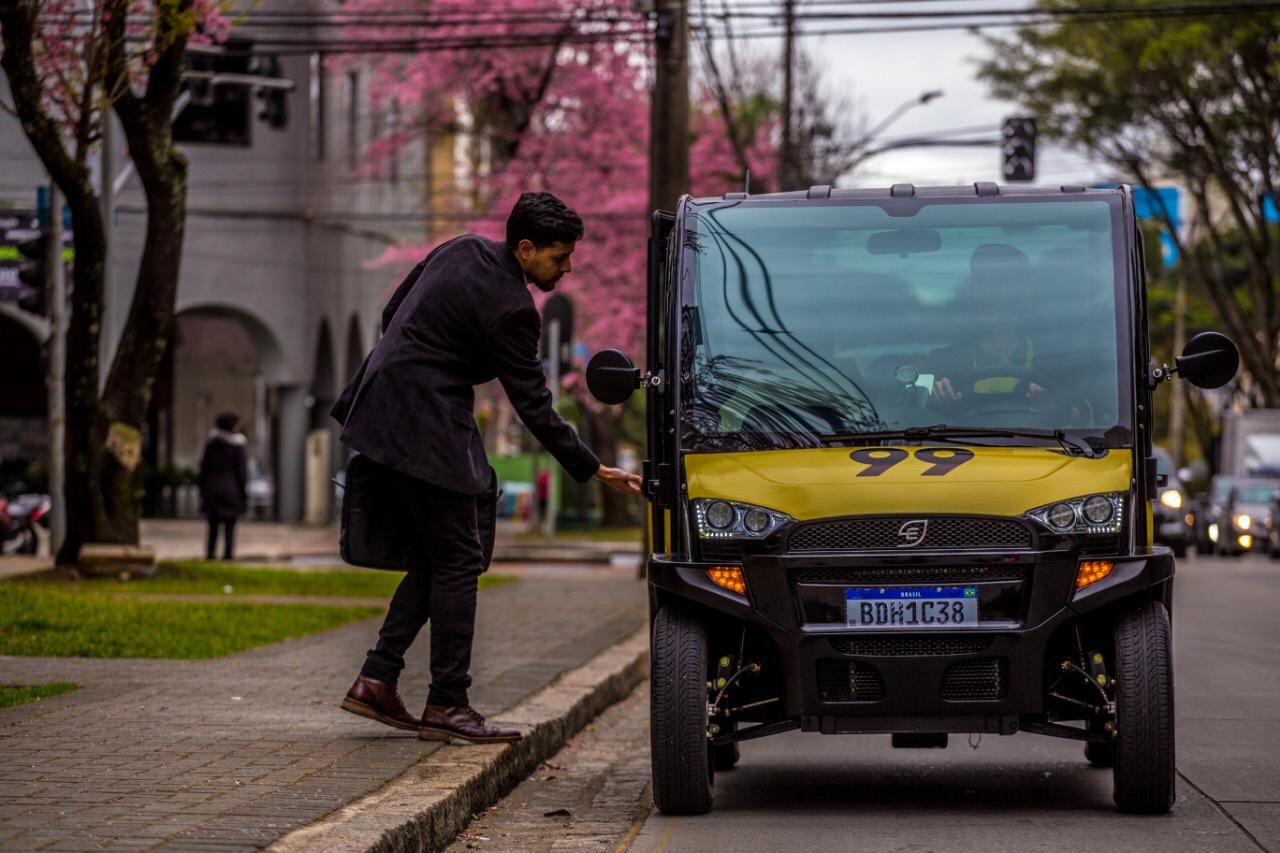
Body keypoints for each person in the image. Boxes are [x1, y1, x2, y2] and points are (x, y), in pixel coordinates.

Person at [331, 191, 642, 745]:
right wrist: (593, 468)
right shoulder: (514, 309)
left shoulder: (460, 248)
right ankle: (448, 703)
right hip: (425, 423)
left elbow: (391, 313)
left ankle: (377, 679)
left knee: (440, 555)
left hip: (378, 403)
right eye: (557, 258)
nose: (566, 268)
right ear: (525, 249)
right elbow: (534, 405)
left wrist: (441, 360)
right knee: (459, 560)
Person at [924, 243, 1046, 413]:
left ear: (1025, 292)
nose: (988, 292)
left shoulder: (1055, 360)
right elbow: (910, 413)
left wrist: (1055, 405)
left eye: (1001, 281)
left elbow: (1085, 413)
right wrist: (934, 398)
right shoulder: (942, 363)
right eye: (981, 281)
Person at [197, 412, 248, 561]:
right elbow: (241, 472)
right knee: (229, 526)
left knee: (213, 526)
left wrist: (202, 489)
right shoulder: (237, 446)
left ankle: (210, 553)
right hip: (231, 490)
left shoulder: (211, 444)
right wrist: (243, 493)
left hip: (211, 489)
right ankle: (228, 554)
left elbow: (203, 469)